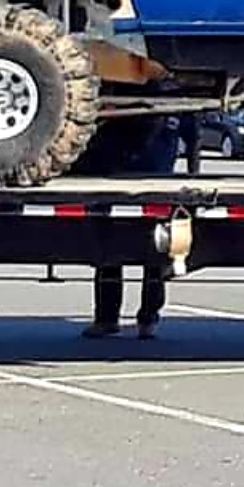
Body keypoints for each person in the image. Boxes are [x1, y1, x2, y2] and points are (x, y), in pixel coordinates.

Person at [82, 115, 180, 340]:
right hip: (134, 182)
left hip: (142, 184)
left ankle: (131, 319)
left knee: (135, 256)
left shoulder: (169, 112)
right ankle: (122, 319)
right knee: (118, 256)